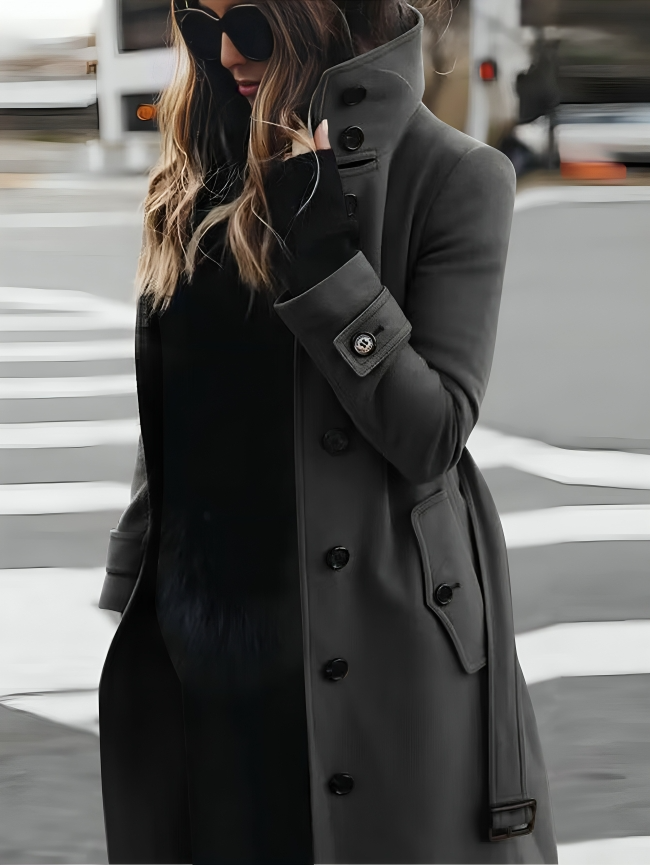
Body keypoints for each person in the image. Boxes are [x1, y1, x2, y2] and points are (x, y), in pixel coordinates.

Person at [98, 1, 558, 863]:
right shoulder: (199, 175)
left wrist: (330, 266)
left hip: (364, 635)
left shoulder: (454, 175)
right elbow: (186, 397)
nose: (227, 52)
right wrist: (137, 578)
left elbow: (432, 432)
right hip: (206, 637)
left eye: (255, 23)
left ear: (327, 18)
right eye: (203, 25)